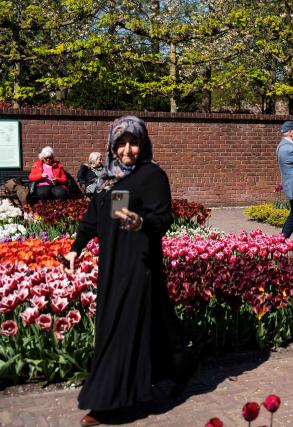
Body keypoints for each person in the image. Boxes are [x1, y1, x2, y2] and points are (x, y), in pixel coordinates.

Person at [64, 116, 189, 426]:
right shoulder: (107, 179)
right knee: (156, 322)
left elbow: (163, 219)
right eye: (121, 143)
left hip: (139, 264)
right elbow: (93, 217)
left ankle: (110, 403)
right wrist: (75, 247)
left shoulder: (153, 176)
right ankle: (180, 367)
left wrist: (142, 223)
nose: (128, 149)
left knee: (121, 327)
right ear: (112, 146)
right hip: (111, 265)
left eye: (133, 142)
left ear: (142, 144)